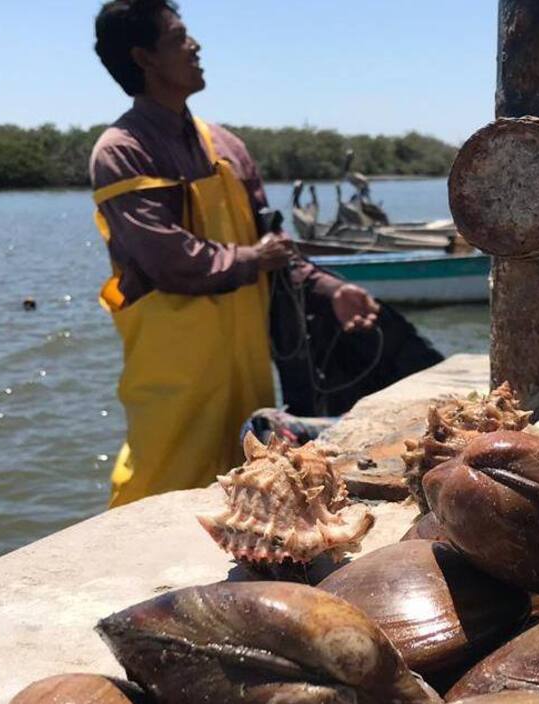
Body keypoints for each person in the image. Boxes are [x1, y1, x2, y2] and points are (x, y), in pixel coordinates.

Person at [90, 0, 379, 507]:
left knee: (246, 486)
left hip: (245, 361)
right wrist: (254, 259)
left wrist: (329, 288)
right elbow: (169, 260)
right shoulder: (122, 151)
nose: (195, 46)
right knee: (155, 491)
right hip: (174, 369)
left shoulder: (227, 145)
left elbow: (274, 247)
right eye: (178, 38)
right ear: (144, 57)